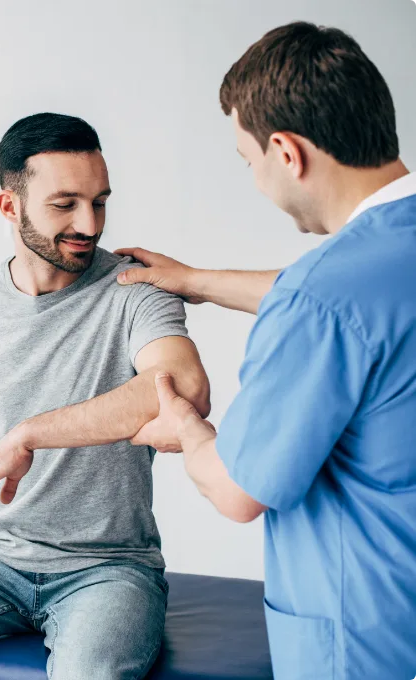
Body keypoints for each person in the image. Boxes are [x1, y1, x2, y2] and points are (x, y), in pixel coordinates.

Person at [111, 22, 416, 680]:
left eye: (247, 161)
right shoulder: (375, 269)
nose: (254, 179)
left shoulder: (323, 298)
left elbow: (236, 490)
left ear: (286, 151)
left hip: (369, 644)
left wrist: (188, 430)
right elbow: (358, 304)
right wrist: (195, 281)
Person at [0, 112, 210, 680]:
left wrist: (27, 434)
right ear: (10, 207)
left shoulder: (135, 287)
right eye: (65, 204)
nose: (89, 222)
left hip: (108, 568)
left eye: (100, 201)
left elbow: (180, 388)